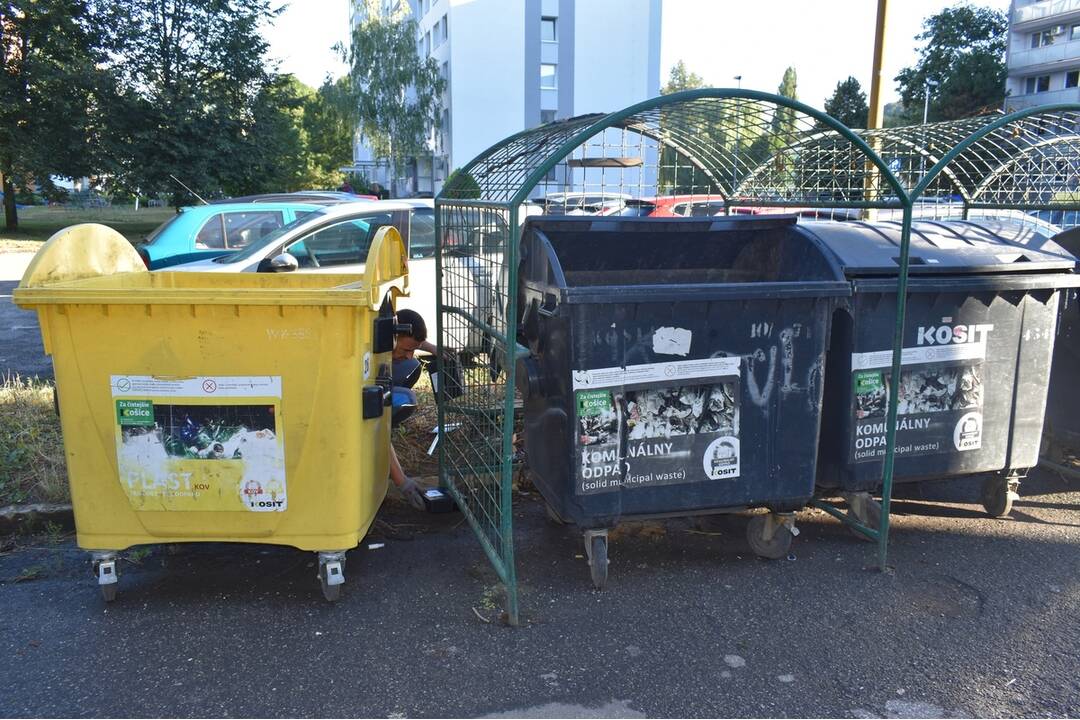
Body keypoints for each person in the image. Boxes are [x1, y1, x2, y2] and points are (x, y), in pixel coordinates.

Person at [389, 308, 437, 510]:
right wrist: (402, 482)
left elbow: (410, 339)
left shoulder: (389, 329)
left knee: (413, 366)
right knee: (404, 399)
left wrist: (433, 348)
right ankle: (388, 420)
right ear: (391, 337)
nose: (410, 356)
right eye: (406, 350)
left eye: (413, 350)